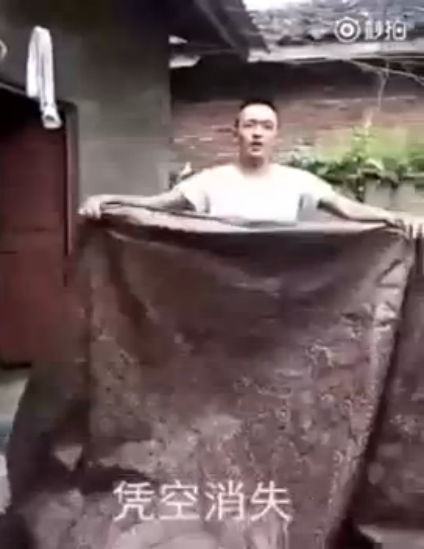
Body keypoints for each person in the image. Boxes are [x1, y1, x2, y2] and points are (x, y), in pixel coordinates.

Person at [79, 98, 411, 228]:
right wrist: (108, 200)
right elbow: (157, 205)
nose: (257, 133)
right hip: (221, 294)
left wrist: (396, 217)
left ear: (276, 135)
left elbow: (347, 209)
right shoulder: (209, 181)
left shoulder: (298, 181)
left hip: (281, 290)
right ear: (235, 132)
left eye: (266, 126)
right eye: (250, 125)